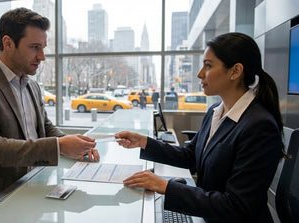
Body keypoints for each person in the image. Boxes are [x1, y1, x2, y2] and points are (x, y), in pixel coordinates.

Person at [115, 32, 284, 222]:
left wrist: (166, 187)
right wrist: (144, 142)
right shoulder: (215, 111)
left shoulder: (259, 126)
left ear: (235, 71)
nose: (200, 74)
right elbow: (191, 156)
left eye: (208, 66)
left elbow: (237, 206)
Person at [0, 8, 99, 221]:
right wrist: (59, 146)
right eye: (34, 47)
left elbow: (44, 127)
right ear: (8, 43)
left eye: (43, 48)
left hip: (28, 192)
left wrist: (74, 145)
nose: (42, 57)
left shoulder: (32, 85)